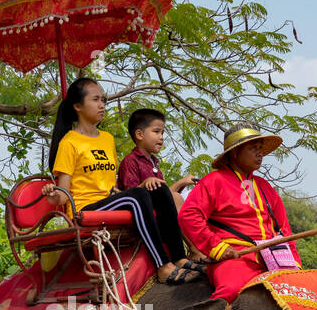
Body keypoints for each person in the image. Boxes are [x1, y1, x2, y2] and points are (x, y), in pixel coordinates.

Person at [42, 78, 202, 284]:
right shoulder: (69, 142)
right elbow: (63, 195)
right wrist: (53, 194)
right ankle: (162, 266)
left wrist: (129, 189)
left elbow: (111, 184)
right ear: (77, 106)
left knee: (160, 190)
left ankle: (179, 257)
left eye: (103, 100)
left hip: (110, 200)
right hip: (85, 209)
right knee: (138, 196)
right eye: (96, 99)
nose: (102, 105)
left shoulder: (107, 139)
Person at [178, 123, 302, 301]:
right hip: (234, 258)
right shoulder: (214, 181)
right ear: (235, 153)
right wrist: (218, 248)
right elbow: (189, 216)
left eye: (261, 149)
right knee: (231, 290)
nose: (260, 154)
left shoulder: (265, 187)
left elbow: (284, 230)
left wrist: (295, 262)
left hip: (275, 260)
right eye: (253, 148)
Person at [117, 108, 197, 211]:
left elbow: (164, 194)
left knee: (190, 196)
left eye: (162, 133)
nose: (161, 137)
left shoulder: (153, 163)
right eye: (156, 131)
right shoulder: (130, 161)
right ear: (139, 135)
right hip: (141, 212)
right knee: (176, 198)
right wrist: (145, 183)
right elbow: (130, 196)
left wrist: (182, 182)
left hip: (155, 209)